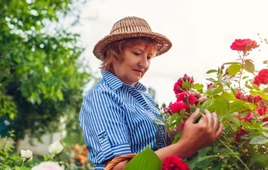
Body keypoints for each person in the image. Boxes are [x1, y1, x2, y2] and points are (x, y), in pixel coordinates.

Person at [79, 16, 223, 170]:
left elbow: (156, 145)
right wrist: (186, 145)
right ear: (113, 53)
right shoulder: (102, 97)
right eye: (136, 53)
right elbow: (119, 168)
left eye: (149, 57)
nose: (144, 63)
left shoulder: (143, 97)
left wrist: (190, 119)